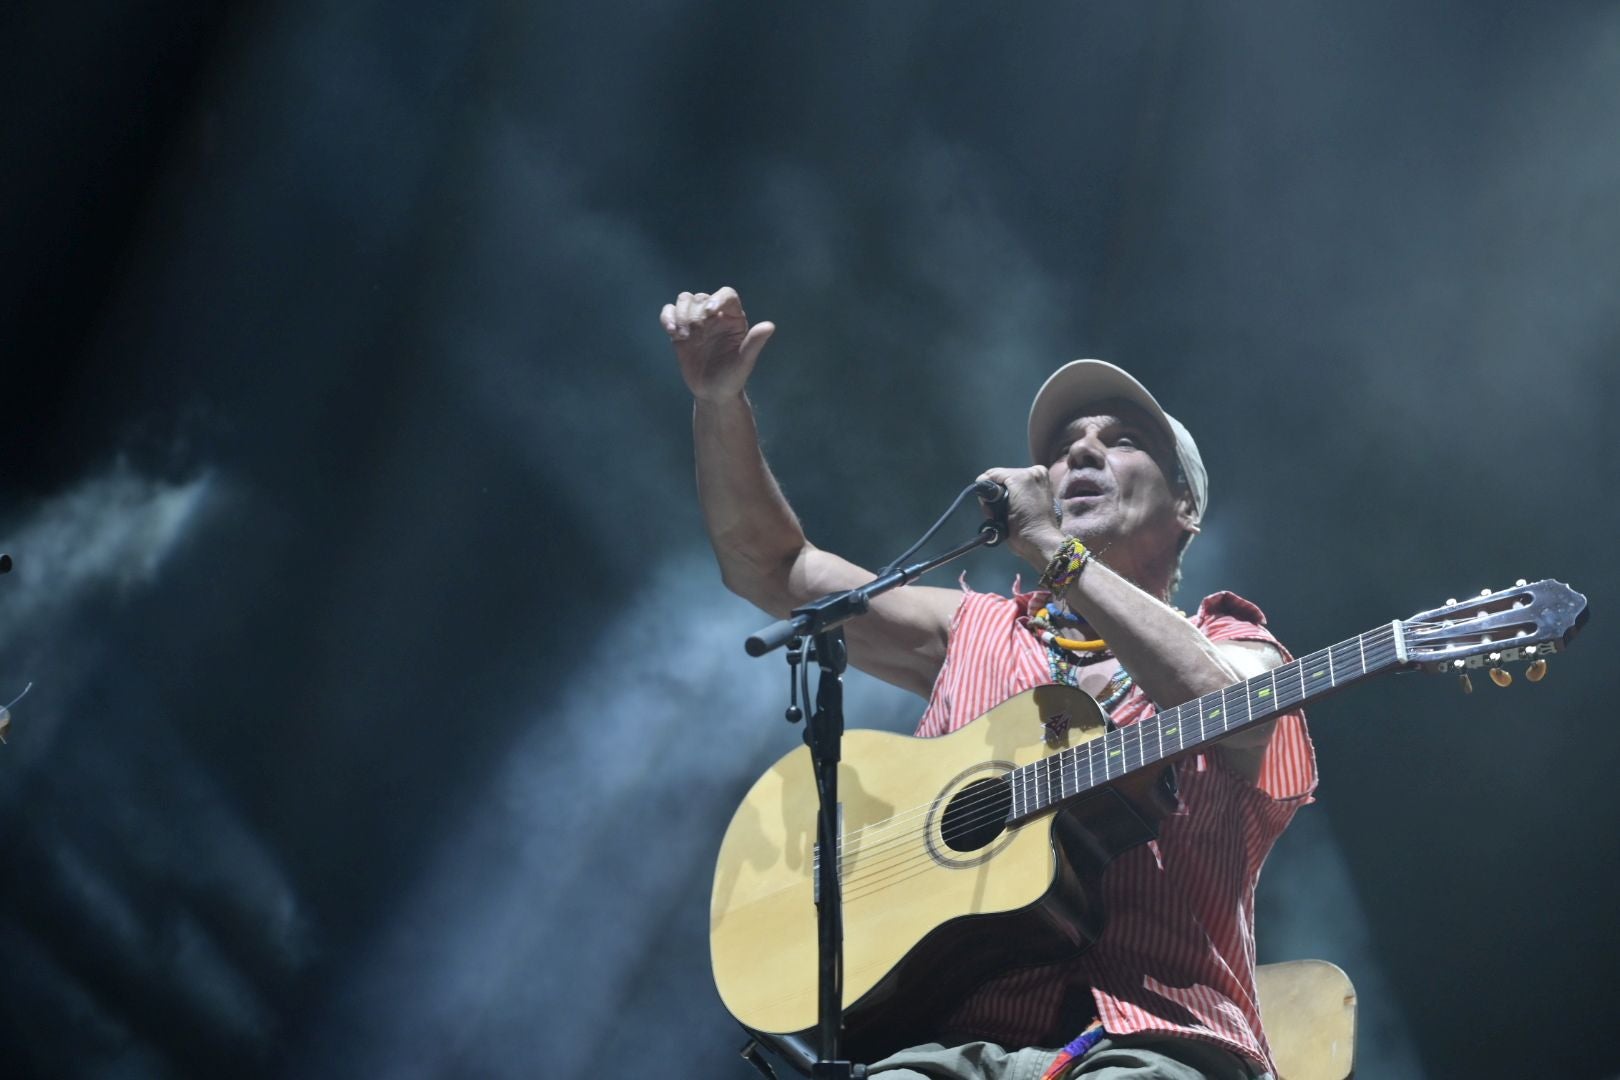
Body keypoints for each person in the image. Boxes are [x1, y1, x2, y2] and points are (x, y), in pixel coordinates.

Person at [662, 287, 1316, 1080]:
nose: (1081, 452)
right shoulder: (971, 630)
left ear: (1185, 504)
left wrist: (1049, 547)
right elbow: (773, 568)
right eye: (1067, 442)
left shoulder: (1238, 645)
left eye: (1122, 440)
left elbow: (1227, 709)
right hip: (940, 1044)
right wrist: (718, 404)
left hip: (1157, 1041)